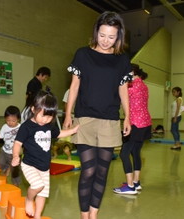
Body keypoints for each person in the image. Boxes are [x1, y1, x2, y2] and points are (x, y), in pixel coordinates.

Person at [63, 11, 132, 219]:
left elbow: (123, 90)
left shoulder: (122, 60)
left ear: (118, 36)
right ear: (96, 32)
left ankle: (94, 214)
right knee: (89, 171)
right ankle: (84, 215)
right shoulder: (82, 54)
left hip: (110, 119)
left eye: (111, 37)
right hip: (84, 118)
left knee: (102, 172)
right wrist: (68, 114)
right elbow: (74, 86)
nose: (106, 41)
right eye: (102, 35)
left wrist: (127, 116)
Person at [11, 90, 79, 219]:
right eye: (43, 116)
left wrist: (72, 131)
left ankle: (37, 216)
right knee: (37, 186)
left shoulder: (49, 125)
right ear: (33, 109)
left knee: (43, 194)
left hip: (45, 167)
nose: (46, 120)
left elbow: (59, 134)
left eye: (50, 117)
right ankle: (29, 200)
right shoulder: (26, 127)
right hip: (29, 165)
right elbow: (17, 143)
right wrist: (15, 156)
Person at [113, 63, 152, 195]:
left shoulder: (132, 86)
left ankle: (129, 186)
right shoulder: (144, 85)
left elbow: (119, 95)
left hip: (135, 124)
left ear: (131, 73)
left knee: (124, 154)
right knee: (135, 153)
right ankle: (136, 182)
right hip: (145, 123)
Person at [0, 105, 21, 186]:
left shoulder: (21, 128)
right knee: (0, 163)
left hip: (15, 153)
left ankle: (16, 184)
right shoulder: (5, 127)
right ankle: (6, 168)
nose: (10, 123)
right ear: (5, 119)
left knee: (15, 170)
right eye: (8, 120)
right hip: (5, 151)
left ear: (18, 119)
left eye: (13, 121)